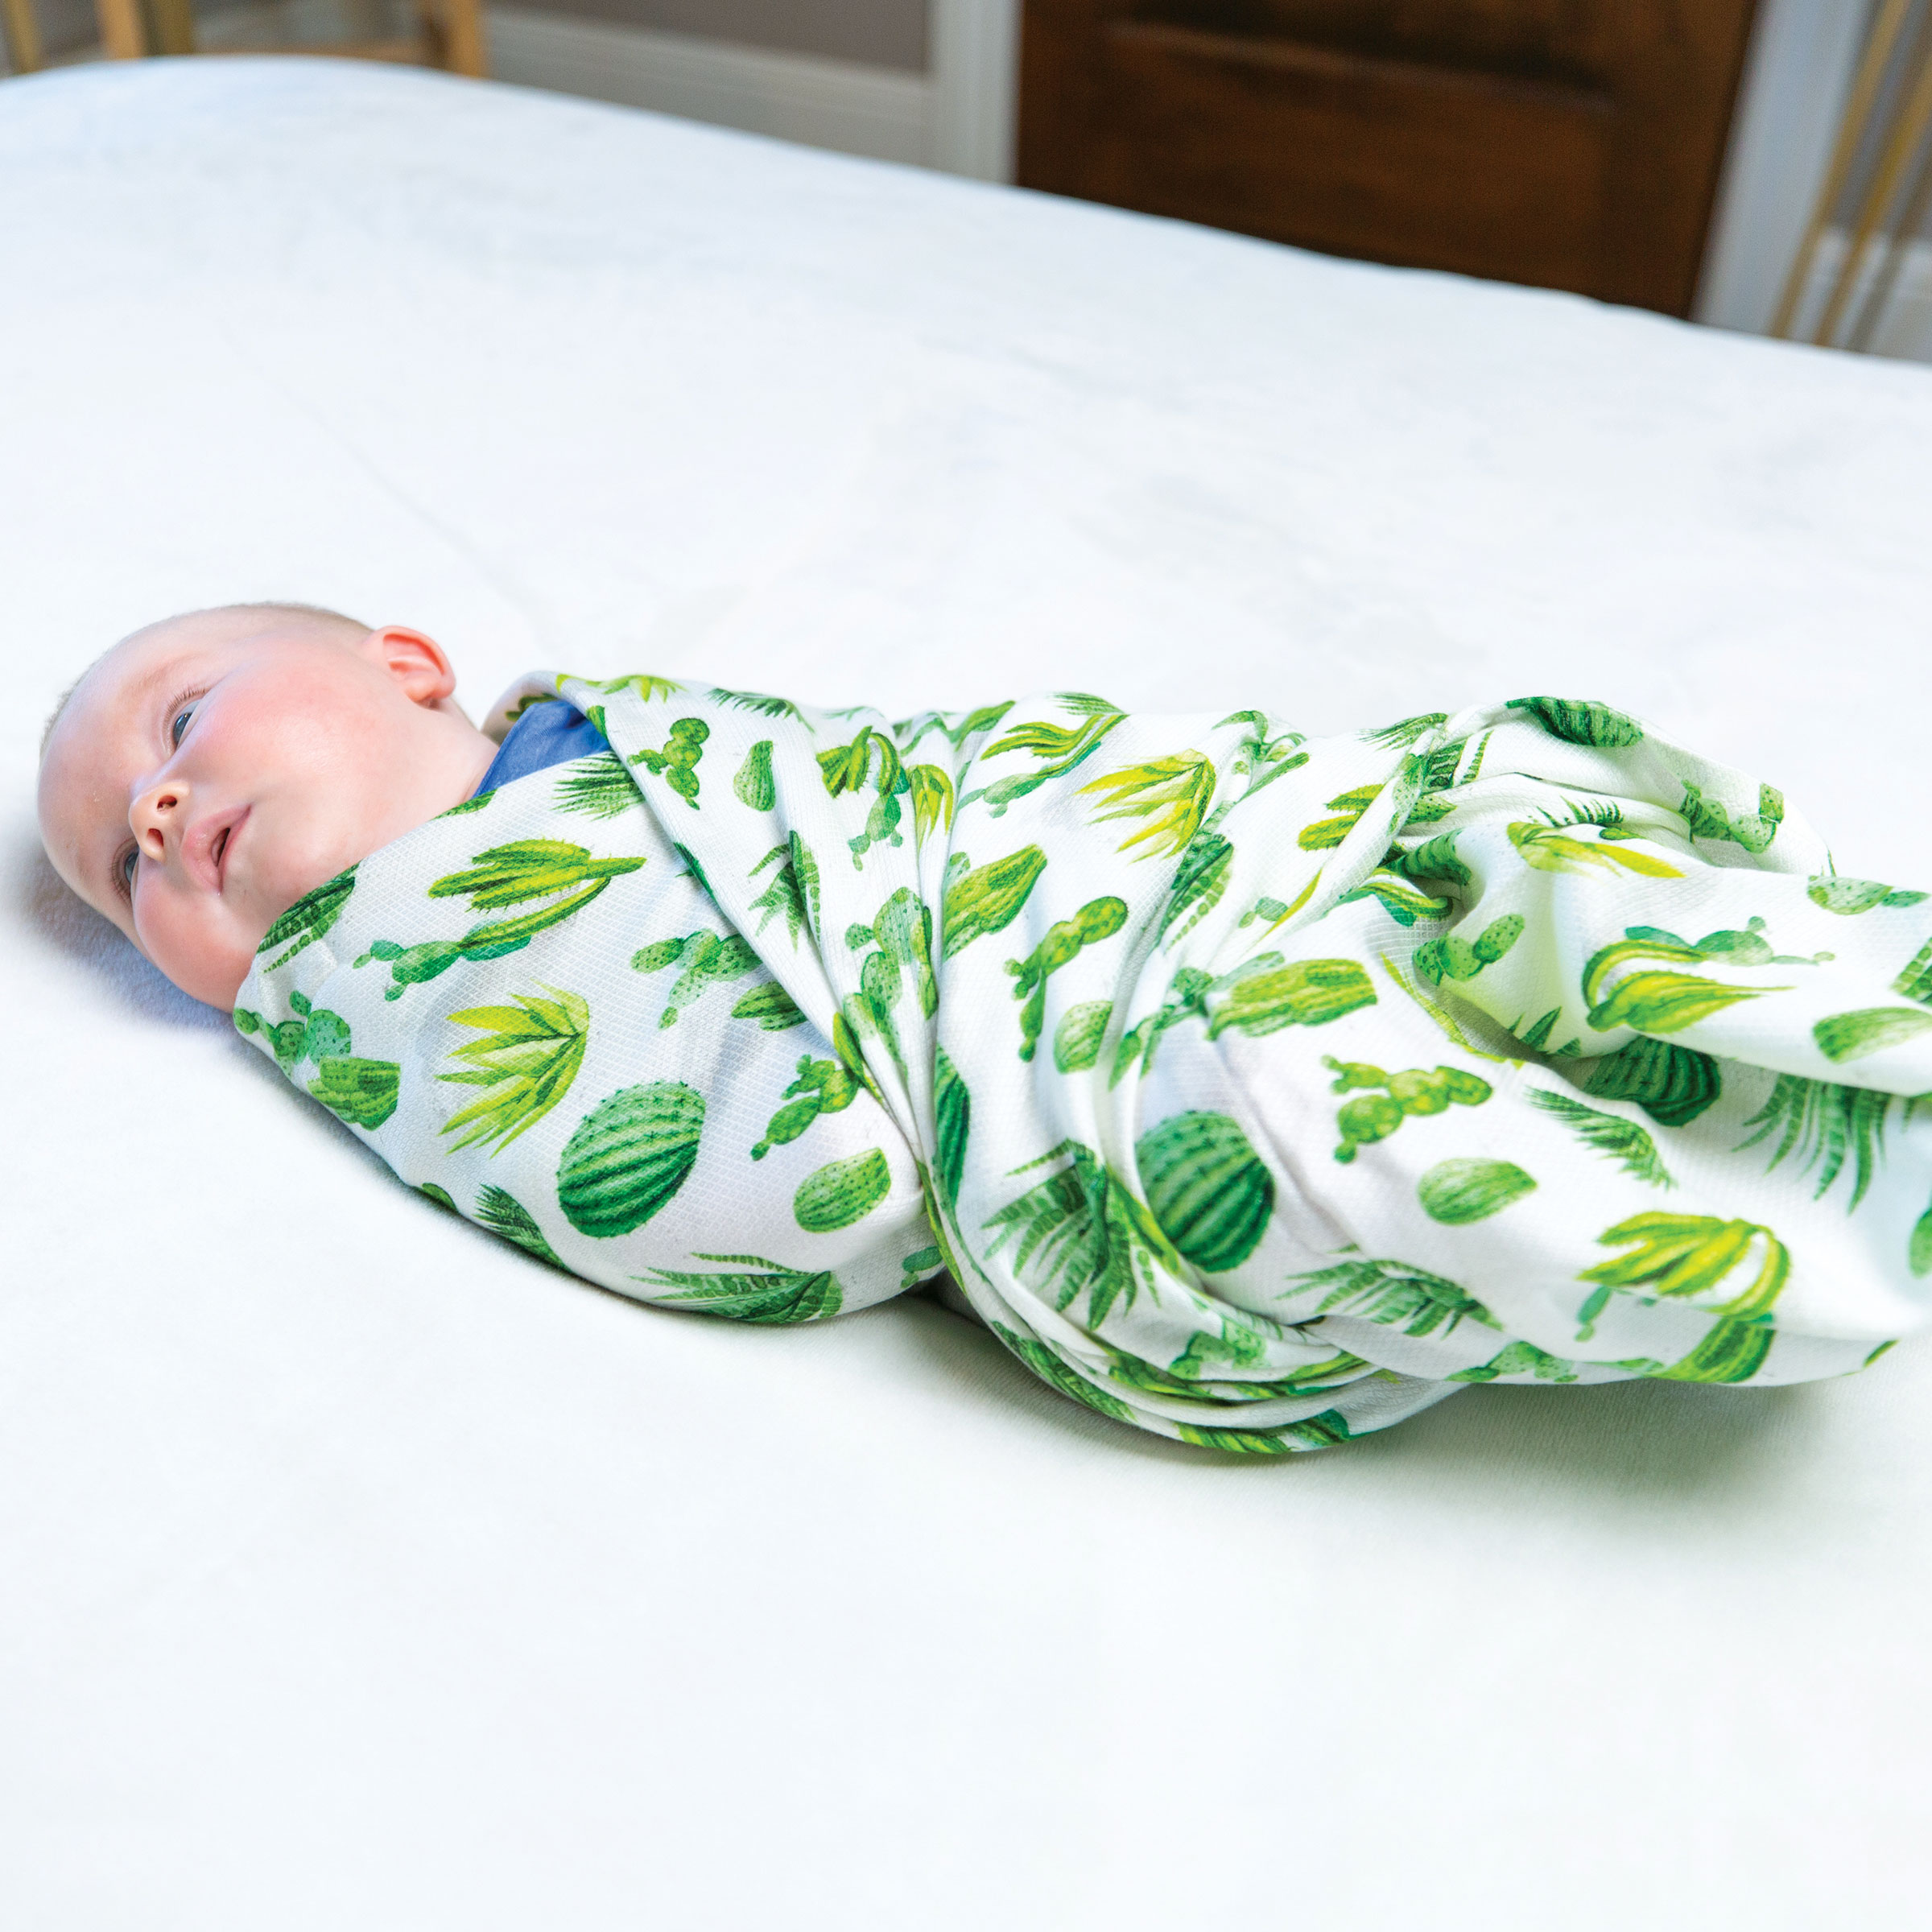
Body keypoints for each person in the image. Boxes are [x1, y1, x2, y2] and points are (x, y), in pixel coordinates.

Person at [35, 602, 1932, 1451]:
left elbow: (887, 788)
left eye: (180, 720)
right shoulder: (397, 1001)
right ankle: (1788, 1217)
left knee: (1501, 830)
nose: (160, 811)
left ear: (405, 663)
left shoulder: (604, 727)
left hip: (1110, 857)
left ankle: (1828, 1002)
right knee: (1302, 1113)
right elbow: (723, 1199)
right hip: (1053, 1065)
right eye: (125, 876)